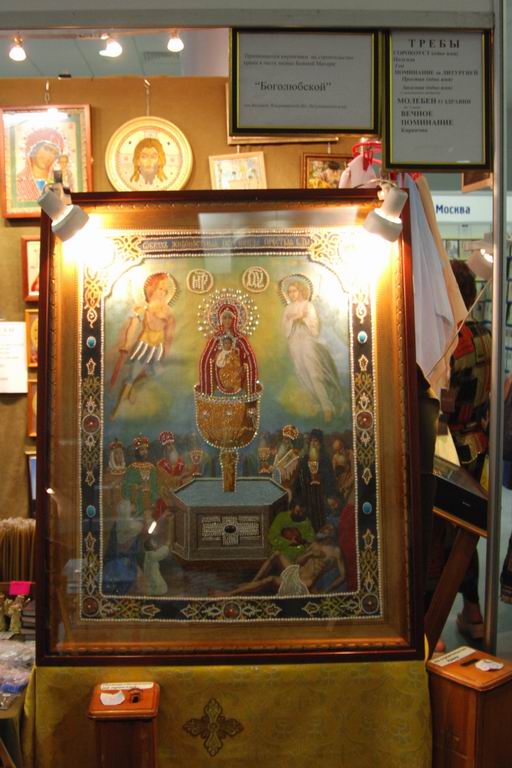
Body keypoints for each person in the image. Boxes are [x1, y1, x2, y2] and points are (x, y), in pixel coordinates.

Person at [430, 260, 491, 640]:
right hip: (476, 445)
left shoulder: (447, 340)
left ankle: (430, 626)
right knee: (466, 532)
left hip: (445, 448)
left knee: (439, 536)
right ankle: (473, 611)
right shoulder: (485, 335)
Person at [213, 524, 346, 597]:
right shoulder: (315, 545)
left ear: (331, 534)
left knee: (270, 579)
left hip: (304, 581)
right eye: (324, 528)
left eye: (328, 529)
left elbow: (343, 576)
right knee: (277, 554)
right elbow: (299, 561)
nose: (324, 530)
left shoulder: (335, 552)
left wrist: (328, 590)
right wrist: (310, 554)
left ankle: (229, 594)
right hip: (296, 571)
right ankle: (252, 582)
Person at [110, 272, 176, 419]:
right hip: (143, 346)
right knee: (131, 376)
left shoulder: (168, 312)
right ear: (152, 289)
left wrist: (166, 350)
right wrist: (127, 344)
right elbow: (133, 326)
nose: (162, 293)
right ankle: (117, 409)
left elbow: (170, 334)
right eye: (159, 289)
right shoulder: (143, 309)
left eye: (165, 290)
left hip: (157, 348)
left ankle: (135, 385)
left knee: (155, 371)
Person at [282, 279, 343, 423]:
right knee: (300, 371)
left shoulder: (308, 305)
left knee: (313, 372)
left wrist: (300, 319)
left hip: (307, 339)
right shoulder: (288, 308)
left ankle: (327, 407)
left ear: (301, 291)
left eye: (294, 291)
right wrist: (296, 318)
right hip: (294, 340)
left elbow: (314, 325)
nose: (292, 294)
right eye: (289, 292)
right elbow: (285, 327)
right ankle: (316, 403)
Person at [199, 304, 258, 396]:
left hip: (237, 374)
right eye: (225, 317)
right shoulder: (215, 338)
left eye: (229, 317)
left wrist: (243, 366)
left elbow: (249, 356)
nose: (227, 320)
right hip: (220, 374)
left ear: (234, 319)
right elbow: (206, 358)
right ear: (220, 320)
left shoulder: (240, 338)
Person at [16, 128, 64, 201]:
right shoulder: (17, 181)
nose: (50, 156)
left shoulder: (59, 181)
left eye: (55, 153)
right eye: (47, 149)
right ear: (33, 148)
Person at [121, 435, 159, 520]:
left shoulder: (152, 468)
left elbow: (156, 487)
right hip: (136, 506)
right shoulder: (131, 469)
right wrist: (136, 488)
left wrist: (154, 499)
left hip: (151, 506)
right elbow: (125, 488)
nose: (145, 452)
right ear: (137, 452)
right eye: (142, 450)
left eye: (146, 449)